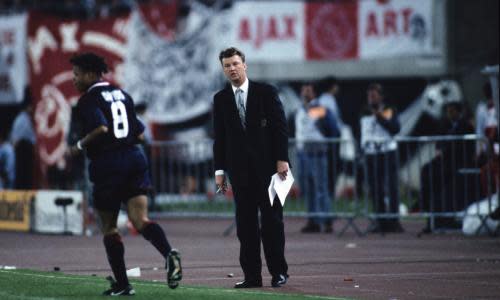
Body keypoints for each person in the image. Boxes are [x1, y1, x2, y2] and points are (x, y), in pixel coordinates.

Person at [66, 52, 182, 296]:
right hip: (134, 158)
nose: (73, 80)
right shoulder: (123, 94)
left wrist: (77, 147)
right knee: (141, 220)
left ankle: (123, 284)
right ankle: (169, 252)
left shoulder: (88, 100)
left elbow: (101, 127)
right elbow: (139, 134)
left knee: (109, 227)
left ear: (90, 74)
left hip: (108, 163)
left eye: (76, 74)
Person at [213, 47, 289, 288]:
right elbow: (220, 138)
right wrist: (219, 172)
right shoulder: (221, 99)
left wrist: (282, 159)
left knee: (272, 224)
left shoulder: (266, 92)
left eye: (235, 63)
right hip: (240, 173)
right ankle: (252, 277)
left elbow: (280, 128)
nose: (232, 69)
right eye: (227, 65)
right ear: (223, 69)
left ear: (245, 65)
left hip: (269, 171)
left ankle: (279, 272)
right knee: (245, 227)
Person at [420, 101, 475, 231]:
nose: (449, 114)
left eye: (452, 111)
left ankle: (445, 218)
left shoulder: (466, 126)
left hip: (458, 161)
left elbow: (468, 148)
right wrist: (439, 149)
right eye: (448, 111)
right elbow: (439, 142)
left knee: (443, 179)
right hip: (444, 160)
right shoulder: (444, 124)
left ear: (459, 112)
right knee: (426, 171)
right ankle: (430, 217)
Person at [295, 83, 339, 233]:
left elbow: (332, 127)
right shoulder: (300, 109)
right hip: (303, 152)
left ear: (314, 93)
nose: (304, 93)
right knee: (309, 189)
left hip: (317, 152)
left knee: (320, 187)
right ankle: (313, 220)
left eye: (308, 90)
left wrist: (327, 143)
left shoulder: (318, 108)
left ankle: (326, 220)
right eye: (303, 90)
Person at [360, 83, 403, 233]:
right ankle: (380, 220)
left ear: (381, 96)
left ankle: (394, 220)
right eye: (369, 94)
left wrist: (380, 117)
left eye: (374, 94)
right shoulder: (365, 112)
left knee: (391, 187)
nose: (371, 97)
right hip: (371, 153)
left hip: (387, 152)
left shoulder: (388, 110)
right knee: (375, 188)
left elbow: (395, 128)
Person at [9, 86, 36, 189]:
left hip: (24, 155)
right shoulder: (22, 120)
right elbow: (16, 141)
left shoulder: (25, 119)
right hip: (22, 156)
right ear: (28, 106)